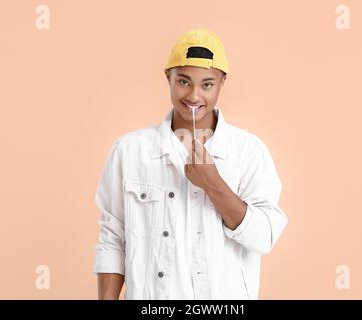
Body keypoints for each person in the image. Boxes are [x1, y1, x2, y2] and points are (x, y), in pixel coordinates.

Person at [93, 29, 288, 300]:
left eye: (207, 84)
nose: (194, 96)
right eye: (184, 81)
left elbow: (264, 237)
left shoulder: (248, 152)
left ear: (222, 82)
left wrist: (214, 184)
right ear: (168, 78)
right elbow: (113, 238)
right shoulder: (130, 151)